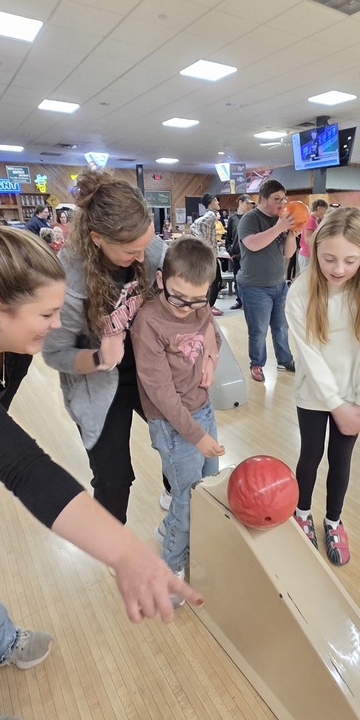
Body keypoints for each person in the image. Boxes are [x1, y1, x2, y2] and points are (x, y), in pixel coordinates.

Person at [0, 227, 202, 720]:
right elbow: (23, 466)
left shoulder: (13, 348)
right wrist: (129, 552)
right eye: (45, 316)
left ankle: (0, 640)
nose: (56, 326)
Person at [43, 167, 168, 525]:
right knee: (114, 478)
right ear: (97, 238)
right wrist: (99, 357)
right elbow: (55, 354)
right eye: (131, 251)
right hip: (98, 383)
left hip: (147, 370)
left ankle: (173, 492)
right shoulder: (67, 281)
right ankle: (117, 544)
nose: (143, 258)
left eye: (147, 245)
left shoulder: (149, 246)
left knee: (179, 443)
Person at [285, 207, 360, 566]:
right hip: (314, 393)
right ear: (314, 251)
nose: (339, 269)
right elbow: (308, 355)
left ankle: (333, 520)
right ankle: (302, 514)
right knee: (311, 454)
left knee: (341, 458)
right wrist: (336, 404)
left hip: (352, 395)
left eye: (350, 260)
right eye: (329, 258)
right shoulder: (300, 291)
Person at [131, 238, 225, 595]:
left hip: (203, 409)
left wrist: (211, 362)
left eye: (198, 300)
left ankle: (178, 535)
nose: (188, 308)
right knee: (186, 501)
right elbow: (163, 396)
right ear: (160, 280)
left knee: (207, 490)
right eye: (178, 298)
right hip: (173, 426)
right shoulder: (148, 324)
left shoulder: (200, 306)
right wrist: (197, 436)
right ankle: (170, 573)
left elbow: (211, 332)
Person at [236, 179, 297, 383]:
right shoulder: (250, 219)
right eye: (277, 199)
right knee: (259, 330)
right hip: (254, 286)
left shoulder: (281, 221)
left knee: (281, 326)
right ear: (263, 198)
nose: (282, 203)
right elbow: (252, 244)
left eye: (284, 199)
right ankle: (257, 364)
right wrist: (280, 228)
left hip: (279, 284)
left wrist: (291, 235)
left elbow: (288, 253)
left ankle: (285, 359)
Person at [190, 193, 223, 316]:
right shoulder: (211, 215)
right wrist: (203, 242)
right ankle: (208, 307)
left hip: (210, 254)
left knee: (213, 281)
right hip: (210, 255)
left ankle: (207, 306)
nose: (218, 203)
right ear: (210, 202)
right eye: (216, 201)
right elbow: (195, 224)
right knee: (216, 281)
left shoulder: (211, 216)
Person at [224, 194, 255, 309]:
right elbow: (228, 238)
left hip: (250, 255)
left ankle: (249, 300)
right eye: (247, 203)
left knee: (250, 279)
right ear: (241, 203)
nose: (248, 206)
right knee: (237, 279)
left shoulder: (252, 217)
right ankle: (240, 300)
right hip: (237, 255)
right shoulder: (233, 219)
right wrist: (230, 252)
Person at [297, 198, 328, 272]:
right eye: (324, 210)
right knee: (306, 279)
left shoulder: (313, 220)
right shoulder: (311, 220)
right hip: (307, 255)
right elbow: (307, 239)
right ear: (319, 208)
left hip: (308, 254)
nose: (324, 213)